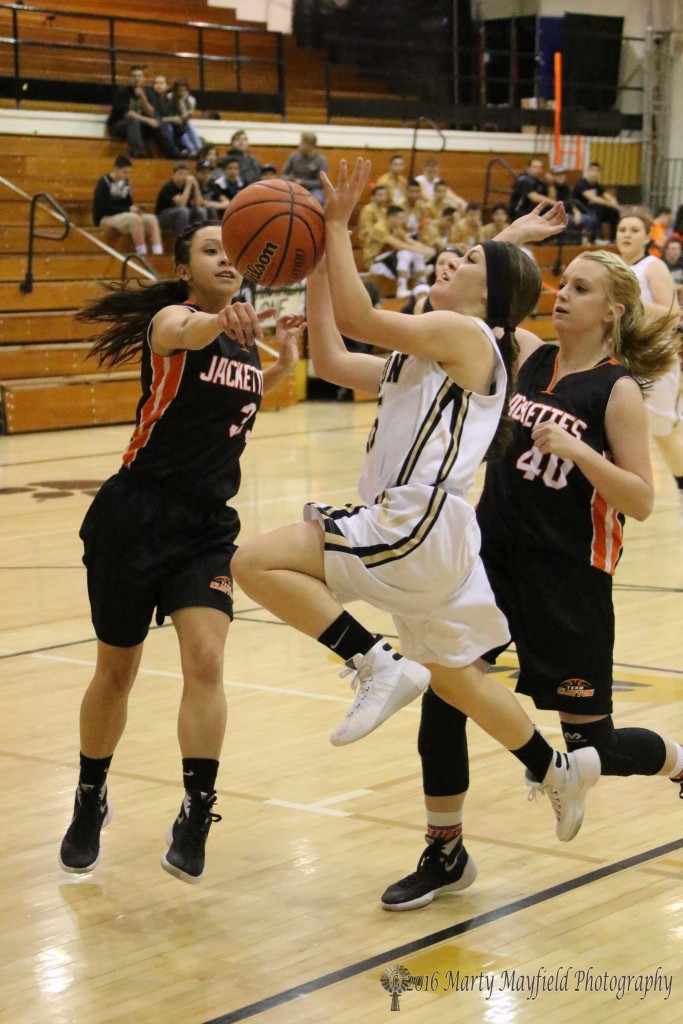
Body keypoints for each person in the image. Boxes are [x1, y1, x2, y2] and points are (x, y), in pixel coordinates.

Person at [232, 159, 601, 846]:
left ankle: (372, 663)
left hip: (415, 521)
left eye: (463, 261)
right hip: (441, 538)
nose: (446, 261)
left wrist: (336, 227)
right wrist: (316, 265)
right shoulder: (430, 352)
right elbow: (337, 359)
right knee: (457, 683)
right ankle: (554, 769)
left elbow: (357, 314)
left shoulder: (466, 337)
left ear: (488, 294)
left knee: (253, 563)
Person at [379, 237, 682, 912]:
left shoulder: (618, 391)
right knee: (445, 694)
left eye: (579, 289)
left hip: (568, 580)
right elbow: (486, 290)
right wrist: (513, 235)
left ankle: (676, 760)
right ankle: (445, 850)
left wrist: (580, 451)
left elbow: (638, 499)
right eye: (561, 282)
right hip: (490, 565)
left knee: (589, 746)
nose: (561, 296)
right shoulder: (525, 354)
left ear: (611, 312)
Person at [58, 223, 302, 885]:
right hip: (135, 515)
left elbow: (234, 406)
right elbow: (186, 335)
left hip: (206, 528)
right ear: (186, 268)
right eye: (210, 250)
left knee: (206, 657)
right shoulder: (176, 320)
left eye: (234, 251)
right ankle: (89, 797)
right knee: (116, 672)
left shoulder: (244, 341)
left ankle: (197, 810)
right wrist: (217, 319)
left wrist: (277, 363)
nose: (226, 259)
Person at [615, 214, 683, 522]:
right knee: (613, 426)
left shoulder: (652, 267)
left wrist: (633, 305)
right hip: (621, 357)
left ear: (647, 237)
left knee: (662, 432)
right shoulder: (614, 270)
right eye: (621, 229)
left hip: (655, 357)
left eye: (634, 230)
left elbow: (674, 316)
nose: (626, 234)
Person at [93, 154, 163, 256]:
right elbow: (103, 208)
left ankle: (158, 254)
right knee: (134, 219)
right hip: (106, 217)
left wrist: (135, 209)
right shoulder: (104, 182)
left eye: (129, 172)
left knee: (152, 219)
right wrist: (128, 209)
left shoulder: (126, 183)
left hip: (123, 214)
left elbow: (128, 204)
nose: (127, 175)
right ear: (116, 169)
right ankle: (141, 254)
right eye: (125, 172)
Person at [107, 65, 178, 159]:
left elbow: (152, 114)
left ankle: (173, 154)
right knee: (133, 121)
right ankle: (138, 152)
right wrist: (147, 120)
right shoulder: (122, 92)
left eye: (139, 76)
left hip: (138, 126)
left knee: (158, 124)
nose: (137, 78)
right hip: (118, 126)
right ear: (129, 78)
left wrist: (143, 97)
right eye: (134, 76)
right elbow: (129, 114)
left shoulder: (148, 92)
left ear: (143, 78)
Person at [155, 162, 208, 237]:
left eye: (185, 174)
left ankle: (200, 239)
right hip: (163, 217)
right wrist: (189, 185)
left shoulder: (187, 186)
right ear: (174, 174)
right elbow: (181, 204)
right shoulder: (169, 187)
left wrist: (196, 186)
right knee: (183, 211)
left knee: (201, 211)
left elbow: (198, 204)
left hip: (183, 215)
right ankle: (181, 243)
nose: (183, 176)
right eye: (180, 173)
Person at [572, 162, 620, 243]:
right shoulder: (581, 184)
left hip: (594, 209)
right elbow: (593, 198)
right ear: (587, 171)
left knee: (613, 212)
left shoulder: (597, 185)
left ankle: (613, 238)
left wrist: (615, 204)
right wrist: (610, 204)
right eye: (592, 170)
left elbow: (607, 196)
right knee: (599, 208)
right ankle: (597, 238)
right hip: (581, 209)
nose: (594, 173)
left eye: (597, 171)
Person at [281, 132, 328, 205]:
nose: (300, 145)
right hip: (294, 187)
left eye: (303, 143)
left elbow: (321, 183)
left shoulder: (320, 160)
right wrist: (288, 180)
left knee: (317, 200)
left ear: (311, 145)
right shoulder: (294, 156)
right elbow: (283, 174)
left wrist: (302, 182)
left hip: (313, 190)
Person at [509, 157, 549, 221]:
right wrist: (555, 203)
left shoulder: (541, 182)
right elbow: (535, 198)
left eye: (540, 167)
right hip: (520, 214)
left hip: (535, 214)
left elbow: (548, 197)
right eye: (535, 167)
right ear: (528, 168)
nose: (538, 170)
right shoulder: (523, 180)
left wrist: (551, 184)